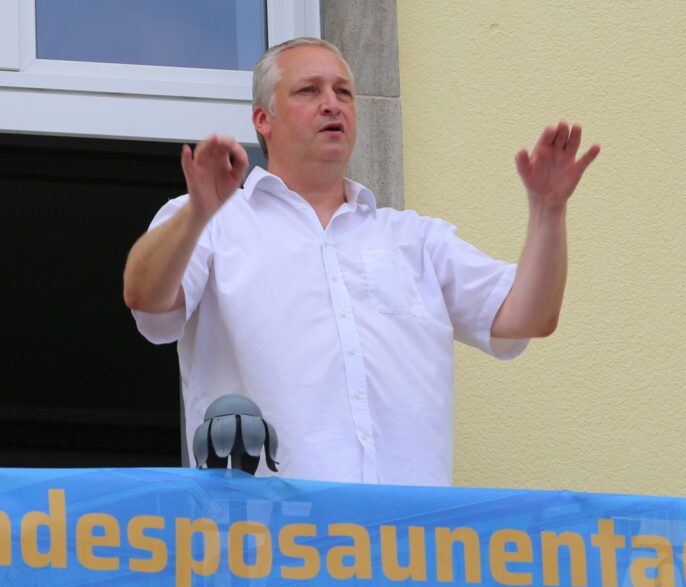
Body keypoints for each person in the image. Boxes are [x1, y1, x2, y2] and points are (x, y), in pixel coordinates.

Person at [123, 37, 599, 485]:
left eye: (344, 92)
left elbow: (527, 317)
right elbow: (145, 297)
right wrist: (199, 212)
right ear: (263, 120)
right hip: (269, 534)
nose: (332, 104)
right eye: (309, 90)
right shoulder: (215, 221)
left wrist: (548, 210)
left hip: (406, 536)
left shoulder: (415, 238)